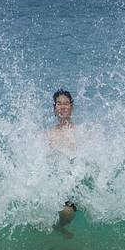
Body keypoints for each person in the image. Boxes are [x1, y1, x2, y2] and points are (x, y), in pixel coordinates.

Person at [47, 89, 77, 237]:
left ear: (72, 107)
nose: (62, 107)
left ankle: (58, 226)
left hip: (71, 181)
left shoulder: (80, 132)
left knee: (67, 211)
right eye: (59, 104)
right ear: (54, 109)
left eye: (66, 103)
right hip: (54, 181)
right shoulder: (48, 134)